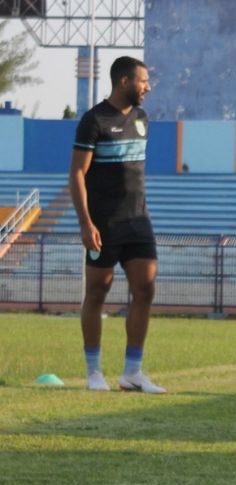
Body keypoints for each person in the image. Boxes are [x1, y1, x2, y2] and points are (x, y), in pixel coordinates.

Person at [69, 56, 166, 394]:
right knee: (97, 293)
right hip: (104, 224)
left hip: (139, 220)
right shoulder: (93, 120)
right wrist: (85, 223)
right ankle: (94, 372)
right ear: (124, 81)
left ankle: (132, 373)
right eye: (143, 81)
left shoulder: (142, 119)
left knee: (146, 290)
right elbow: (77, 174)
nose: (148, 87)